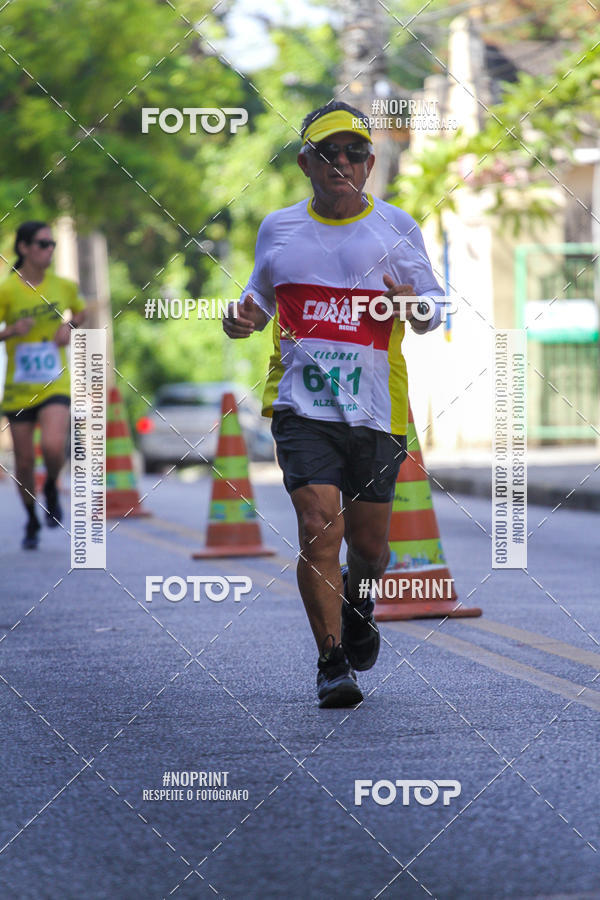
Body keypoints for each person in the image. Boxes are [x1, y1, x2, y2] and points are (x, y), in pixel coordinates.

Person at [223, 101, 445, 707]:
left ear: (370, 164)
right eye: (327, 151)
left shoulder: (396, 228)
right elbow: (256, 301)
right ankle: (330, 662)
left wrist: (413, 306)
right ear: (306, 162)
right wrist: (238, 320)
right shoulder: (279, 228)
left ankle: (360, 598)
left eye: (353, 151)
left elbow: (432, 312)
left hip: (376, 410)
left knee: (368, 548)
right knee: (320, 528)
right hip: (302, 408)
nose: (340, 161)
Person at [0, 221, 86, 549]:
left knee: (52, 446)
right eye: (42, 244)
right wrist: (11, 331)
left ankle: (50, 483)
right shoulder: (7, 290)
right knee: (22, 462)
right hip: (18, 388)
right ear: (23, 248)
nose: (49, 250)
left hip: (54, 384)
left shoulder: (62, 286)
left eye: (52, 245)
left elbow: (82, 312)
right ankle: (32, 520)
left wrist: (70, 326)